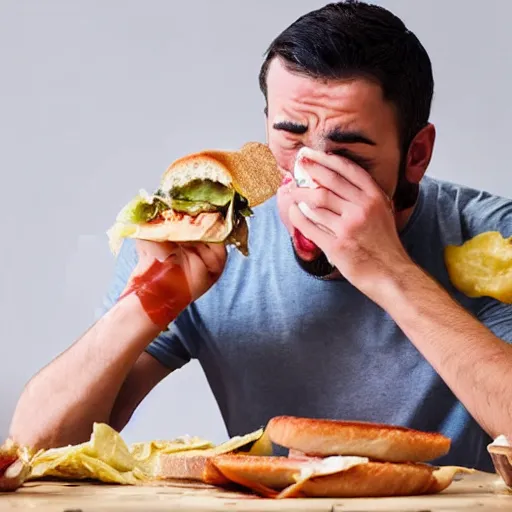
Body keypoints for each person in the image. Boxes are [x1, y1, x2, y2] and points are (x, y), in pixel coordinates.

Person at [9, 0, 512, 472]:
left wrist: (392, 272)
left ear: (416, 154)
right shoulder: (210, 242)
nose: (309, 183)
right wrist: (148, 301)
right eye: (290, 141)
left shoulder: (490, 239)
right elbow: (33, 450)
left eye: (350, 156)